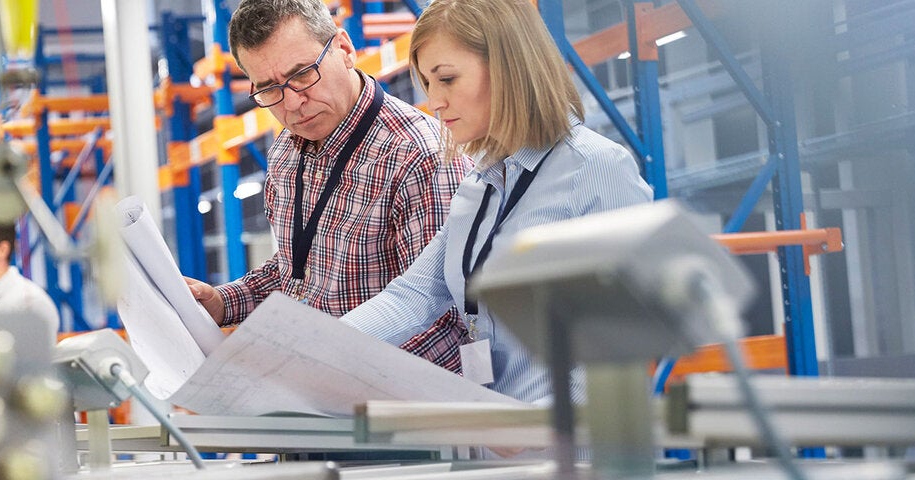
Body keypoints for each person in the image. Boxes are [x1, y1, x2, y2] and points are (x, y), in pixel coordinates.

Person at [340, 0, 653, 405]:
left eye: (447, 79)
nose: (435, 101)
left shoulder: (595, 168)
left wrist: (536, 425)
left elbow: (627, 337)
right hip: (496, 445)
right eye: (428, 84)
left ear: (509, 68)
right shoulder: (479, 185)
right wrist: (309, 347)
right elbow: (413, 296)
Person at [184, 0, 472, 371]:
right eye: (270, 89)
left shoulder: (418, 157)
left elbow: (443, 316)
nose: (292, 103)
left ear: (345, 49)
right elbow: (295, 273)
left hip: (400, 408)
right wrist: (222, 303)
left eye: (302, 74)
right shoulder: (287, 153)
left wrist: (324, 366)